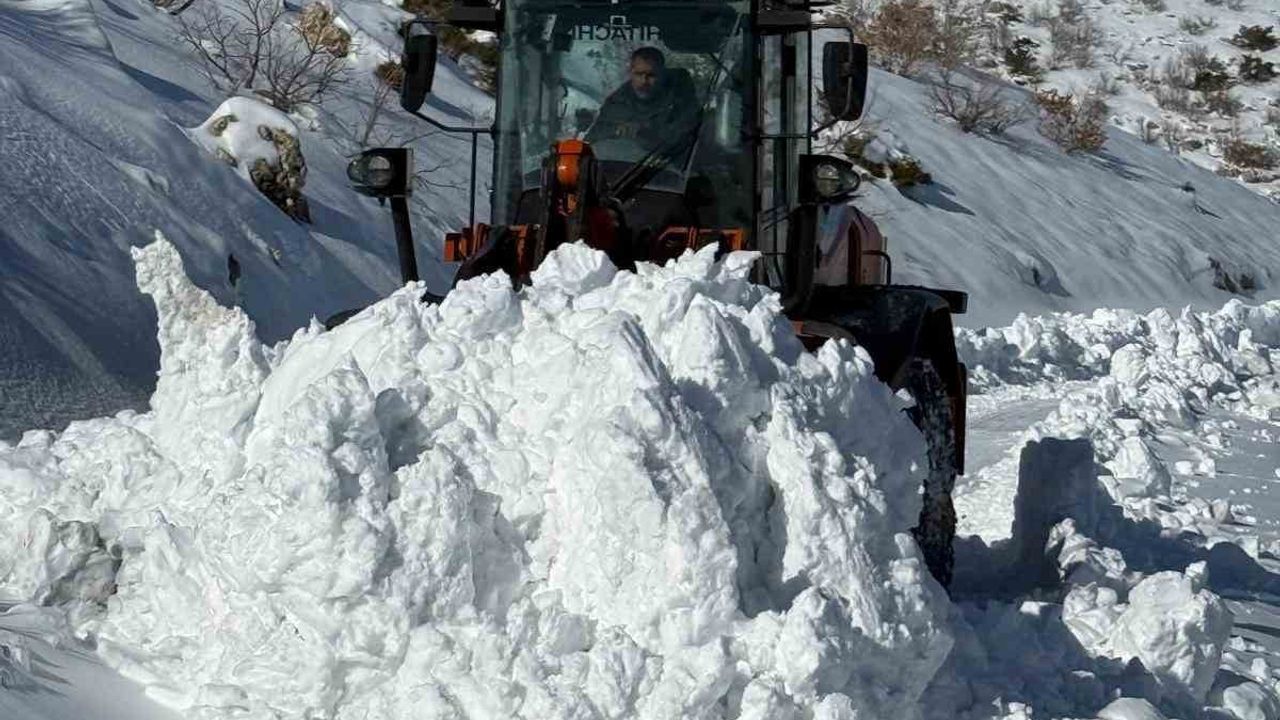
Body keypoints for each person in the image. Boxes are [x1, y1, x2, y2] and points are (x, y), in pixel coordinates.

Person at [585, 47, 699, 152]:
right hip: (626, 164)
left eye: (651, 75)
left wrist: (644, 129)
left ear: (662, 74)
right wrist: (615, 130)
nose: (644, 81)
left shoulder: (680, 97)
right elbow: (592, 140)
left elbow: (688, 136)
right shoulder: (617, 102)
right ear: (631, 72)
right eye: (639, 74)